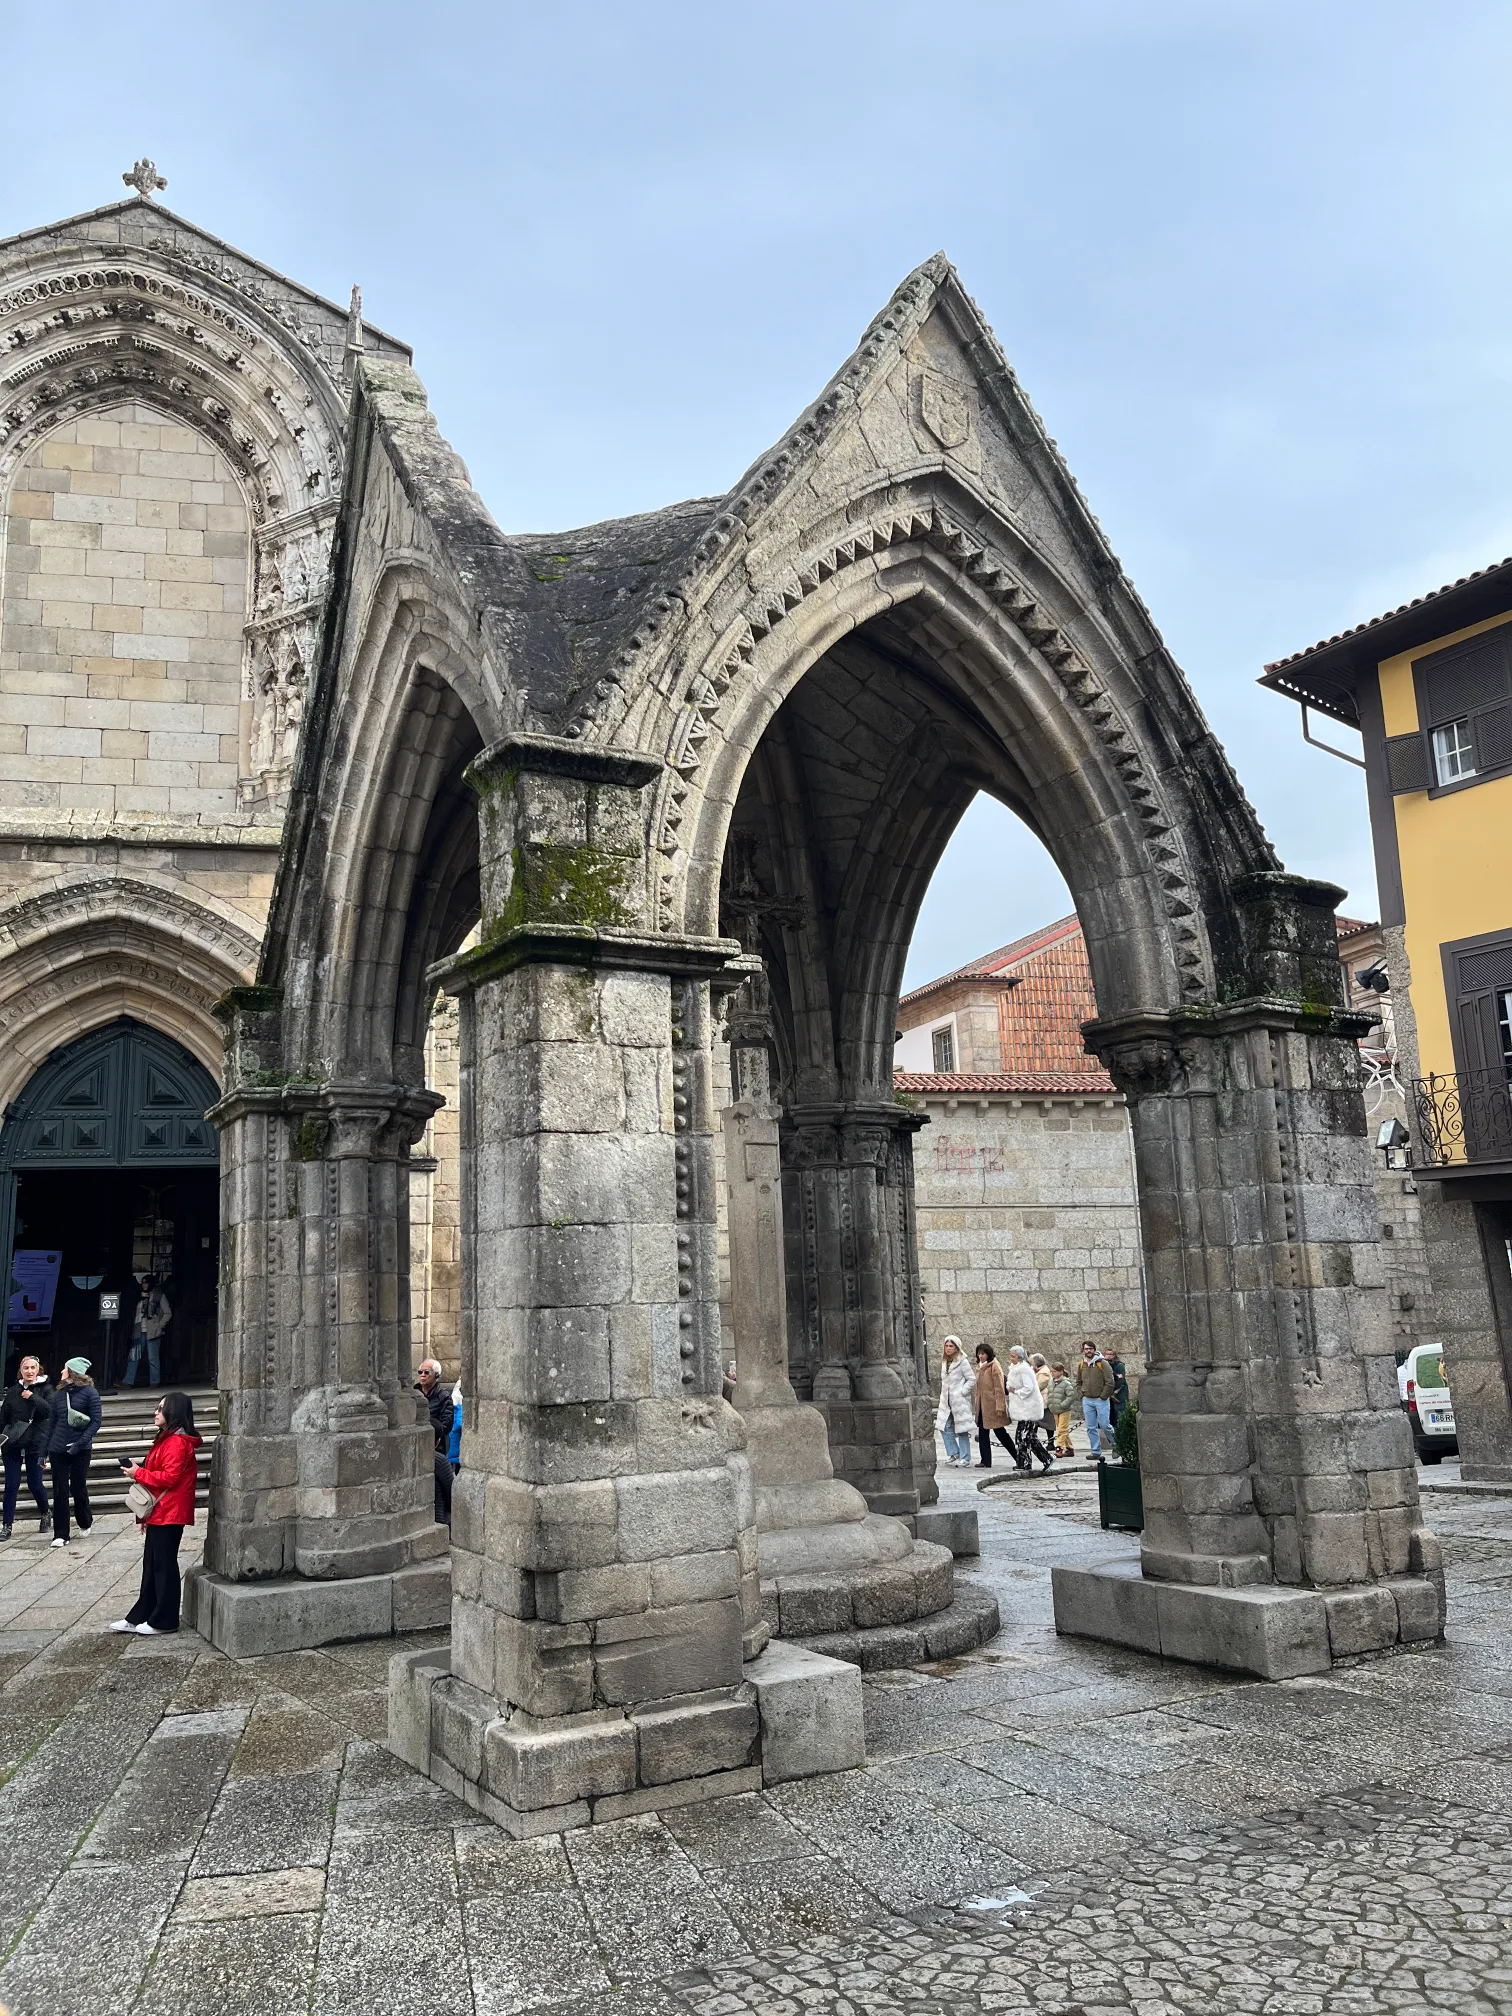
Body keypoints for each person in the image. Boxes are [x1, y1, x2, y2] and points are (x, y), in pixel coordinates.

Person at [108, 1391, 201, 1635]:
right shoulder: (166, 1439)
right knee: (152, 1565)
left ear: (173, 1412)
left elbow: (170, 1478)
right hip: (161, 1511)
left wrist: (137, 1473)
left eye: (161, 1408)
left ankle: (165, 1619)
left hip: (170, 1512)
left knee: (163, 1566)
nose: (156, 1412)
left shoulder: (177, 1443)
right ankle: (143, 1614)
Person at [43, 1357, 101, 1546]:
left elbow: (95, 1422)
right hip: (57, 1448)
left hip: (80, 1449)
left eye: (64, 1369)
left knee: (78, 1487)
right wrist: (43, 1452)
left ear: (72, 1372)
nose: (61, 1372)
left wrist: (80, 1442)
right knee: (60, 1490)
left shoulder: (90, 1394)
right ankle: (61, 1534)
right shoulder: (59, 1394)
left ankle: (84, 1520)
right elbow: (51, 1424)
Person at [0, 1354, 51, 1539]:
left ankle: (45, 1512)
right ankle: (7, 1525)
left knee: (34, 1482)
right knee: (11, 1485)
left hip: (35, 1443)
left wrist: (32, 1397)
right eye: (26, 1368)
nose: (29, 1371)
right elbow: (3, 1417)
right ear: (20, 1371)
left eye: (32, 1368)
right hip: (13, 1443)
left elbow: (48, 1411)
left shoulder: (45, 1388)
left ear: (38, 1370)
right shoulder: (13, 1391)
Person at [416, 1357, 454, 1524]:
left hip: (435, 1445)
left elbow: (448, 1422)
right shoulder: (414, 1393)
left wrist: (432, 1433)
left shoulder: (443, 1396)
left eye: (427, 1372)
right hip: (420, 1444)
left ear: (436, 1376)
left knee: (437, 1483)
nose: (422, 1375)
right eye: (420, 1372)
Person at [1006, 1346, 1054, 1472]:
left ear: (1020, 1357)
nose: (1011, 1358)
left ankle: (1025, 1463)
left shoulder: (1023, 1370)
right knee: (1028, 1437)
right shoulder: (1015, 1369)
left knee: (1023, 1436)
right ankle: (1046, 1458)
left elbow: (1029, 1388)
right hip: (1022, 1407)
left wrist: (1015, 1391)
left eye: (1013, 1356)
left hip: (1028, 1408)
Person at [122, 1274, 172, 1388]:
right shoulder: (138, 1296)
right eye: (143, 1282)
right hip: (138, 1330)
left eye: (146, 1282)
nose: (144, 1284)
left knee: (153, 1358)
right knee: (134, 1356)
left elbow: (167, 1312)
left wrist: (159, 1326)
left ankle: (154, 1381)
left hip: (152, 1331)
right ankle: (128, 1381)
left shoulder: (158, 1295)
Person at [936, 1336, 975, 1467]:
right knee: (944, 1426)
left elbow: (971, 1379)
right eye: (946, 1346)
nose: (948, 1348)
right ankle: (954, 1452)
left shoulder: (962, 1362)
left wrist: (962, 1392)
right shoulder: (944, 1362)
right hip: (946, 1401)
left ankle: (965, 1457)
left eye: (951, 1346)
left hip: (959, 1400)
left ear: (957, 1348)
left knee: (962, 1429)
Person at [973, 1344, 1014, 1469]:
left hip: (992, 1405)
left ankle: (1017, 1456)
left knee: (1000, 1432)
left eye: (983, 1354)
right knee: (983, 1433)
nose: (981, 1356)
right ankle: (985, 1460)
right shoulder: (979, 1367)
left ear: (988, 1354)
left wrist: (1000, 1406)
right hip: (981, 1405)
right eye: (979, 1354)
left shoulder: (994, 1366)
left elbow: (999, 1387)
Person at [1076, 1340, 1115, 1462]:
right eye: (1086, 1349)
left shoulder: (1102, 1363)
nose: (1088, 1351)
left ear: (1094, 1349)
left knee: (1105, 1425)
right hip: (1087, 1399)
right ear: (1083, 1350)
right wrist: (1081, 1393)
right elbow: (1078, 1381)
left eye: (1090, 1349)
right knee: (1091, 1427)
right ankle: (1095, 1451)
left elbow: (1110, 1381)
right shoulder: (1081, 1364)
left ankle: (1116, 1445)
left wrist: (1103, 1396)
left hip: (1100, 1400)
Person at [1044, 1361, 1078, 1459]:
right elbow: (1050, 1394)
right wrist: (1050, 1404)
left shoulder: (1066, 1383)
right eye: (1052, 1371)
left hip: (1064, 1409)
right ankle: (1069, 1448)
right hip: (1055, 1409)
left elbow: (1071, 1396)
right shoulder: (1051, 1382)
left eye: (1055, 1371)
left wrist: (1063, 1404)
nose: (1053, 1373)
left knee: (1062, 1429)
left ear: (1060, 1371)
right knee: (1062, 1429)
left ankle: (1059, 1448)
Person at [1106, 1345, 1130, 1427]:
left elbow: (1121, 1381)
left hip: (1119, 1394)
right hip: (1109, 1394)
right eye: (1107, 1354)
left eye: (1110, 1354)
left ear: (1114, 1355)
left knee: (1119, 1414)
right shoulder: (1104, 1365)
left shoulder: (1119, 1365)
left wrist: (1111, 1389)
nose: (1108, 1356)